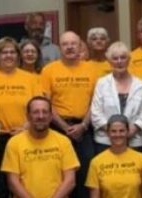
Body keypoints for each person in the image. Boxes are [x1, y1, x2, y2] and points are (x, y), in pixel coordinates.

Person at [0, 38, 42, 198]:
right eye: (4, 52)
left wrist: (26, 127)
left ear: (18, 56)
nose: (9, 56)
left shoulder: (30, 78)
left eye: (12, 52)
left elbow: (39, 106)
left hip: (25, 137)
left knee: (24, 181)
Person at [41, 31, 98, 198]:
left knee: (85, 172)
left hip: (84, 128)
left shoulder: (91, 69)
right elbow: (46, 103)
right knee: (59, 173)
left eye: (74, 43)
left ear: (80, 46)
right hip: (57, 127)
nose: (70, 47)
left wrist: (83, 125)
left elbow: (96, 101)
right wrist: (65, 127)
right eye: (65, 44)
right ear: (60, 47)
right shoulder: (49, 70)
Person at [1, 97, 80, 198]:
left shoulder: (63, 141)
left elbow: (70, 181)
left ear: (51, 116)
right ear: (28, 117)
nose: (41, 116)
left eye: (45, 112)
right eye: (36, 112)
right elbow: (13, 182)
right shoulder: (14, 143)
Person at [89, 41, 142, 153]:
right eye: (115, 58)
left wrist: (130, 132)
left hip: (134, 141)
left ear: (128, 60)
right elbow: (96, 113)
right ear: (109, 61)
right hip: (105, 141)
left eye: (123, 58)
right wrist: (114, 132)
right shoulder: (102, 83)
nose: (119, 62)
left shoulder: (140, 85)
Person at [86, 115, 142, 198]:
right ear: (108, 133)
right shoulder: (96, 162)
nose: (118, 134)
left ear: (127, 132)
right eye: (113, 131)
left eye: (121, 131)